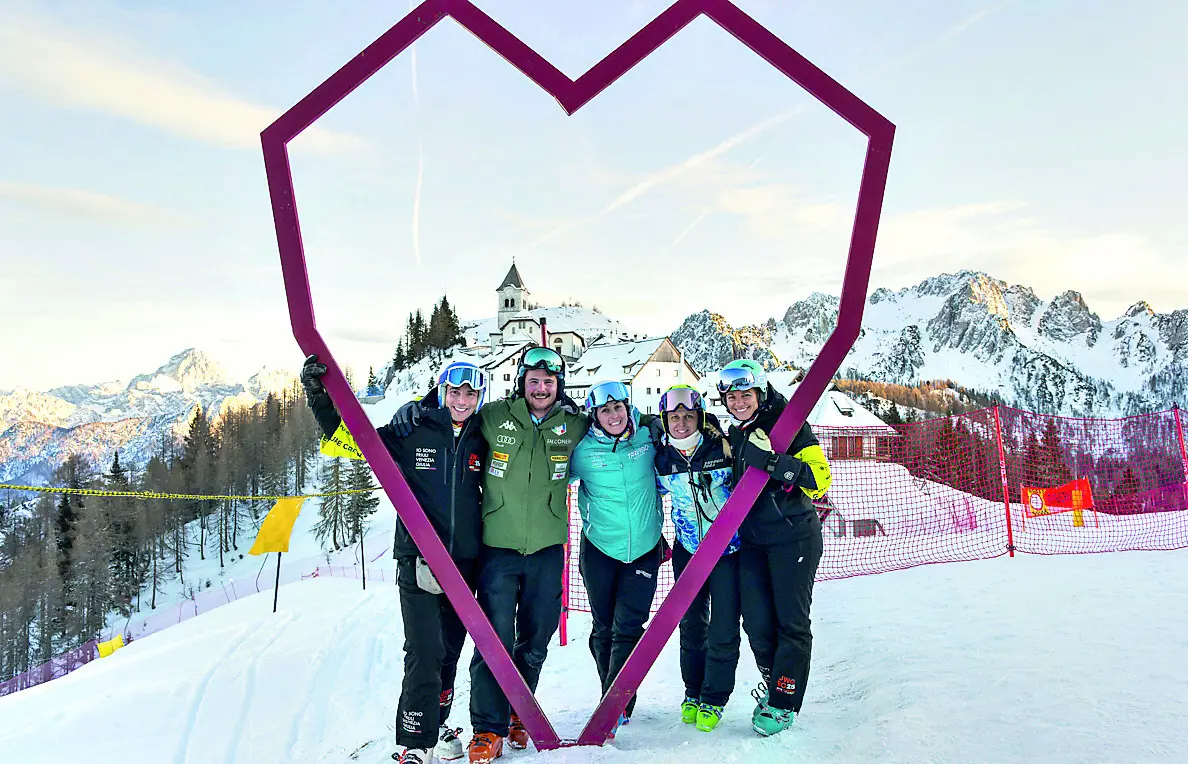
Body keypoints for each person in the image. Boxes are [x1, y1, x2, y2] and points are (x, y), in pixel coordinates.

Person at [390, 345, 587, 763]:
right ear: (521, 383)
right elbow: (450, 422)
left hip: (548, 549)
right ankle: (487, 727)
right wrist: (418, 406)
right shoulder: (493, 417)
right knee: (492, 640)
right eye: (533, 381)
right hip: (497, 549)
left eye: (548, 382)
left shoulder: (574, 424)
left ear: (559, 386)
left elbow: (617, 428)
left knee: (535, 639)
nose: (540, 389)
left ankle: (520, 711)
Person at [300, 355, 490, 764]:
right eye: (454, 392)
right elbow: (345, 439)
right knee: (424, 650)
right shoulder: (412, 430)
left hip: (465, 564)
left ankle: (437, 725)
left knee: (449, 650)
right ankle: (415, 742)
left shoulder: (483, 435)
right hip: (419, 560)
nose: (461, 400)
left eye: (470, 393)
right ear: (442, 391)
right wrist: (319, 395)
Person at [716, 359, 832, 737]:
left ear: (760, 393)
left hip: (793, 537)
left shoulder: (790, 424)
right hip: (753, 541)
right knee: (756, 621)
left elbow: (819, 481)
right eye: (732, 398)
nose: (738, 403)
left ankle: (784, 701)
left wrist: (771, 462)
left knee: (790, 623)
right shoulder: (736, 431)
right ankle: (774, 679)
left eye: (745, 395)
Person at [568, 379, 664, 737]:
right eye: (605, 410)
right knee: (604, 627)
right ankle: (611, 693)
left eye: (618, 407)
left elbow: (684, 434)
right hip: (600, 549)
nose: (613, 415)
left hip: (644, 548)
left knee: (629, 627)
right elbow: (550, 475)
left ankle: (614, 705)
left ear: (628, 408)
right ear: (594, 415)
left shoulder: (648, 438)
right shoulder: (582, 451)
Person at [650, 384, 741, 733]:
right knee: (691, 624)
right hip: (688, 550)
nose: (682, 423)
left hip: (728, 551)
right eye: (674, 417)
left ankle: (714, 697)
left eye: (689, 416)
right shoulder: (662, 458)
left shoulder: (722, 447)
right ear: (665, 420)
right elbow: (652, 492)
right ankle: (693, 691)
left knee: (723, 626)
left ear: (700, 417)